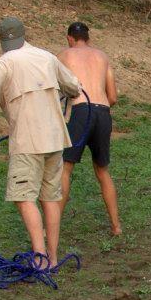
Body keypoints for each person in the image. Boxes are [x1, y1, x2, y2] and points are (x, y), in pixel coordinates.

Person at [0, 16, 82, 268]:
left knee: (23, 196)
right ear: (23, 34)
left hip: (28, 140)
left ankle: (39, 257)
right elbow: (73, 85)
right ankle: (52, 257)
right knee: (49, 197)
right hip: (55, 139)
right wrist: (65, 93)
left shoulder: (4, 62)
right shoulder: (47, 57)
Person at [58, 20, 123, 238]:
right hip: (103, 112)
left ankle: (52, 227)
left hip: (79, 111)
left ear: (69, 38)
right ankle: (116, 227)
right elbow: (112, 96)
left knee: (66, 168)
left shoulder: (64, 56)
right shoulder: (102, 57)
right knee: (102, 170)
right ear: (88, 38)